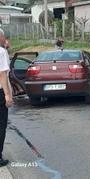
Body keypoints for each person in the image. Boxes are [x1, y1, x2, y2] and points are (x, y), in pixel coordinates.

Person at [0, 28, 13, 167]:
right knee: (1, 125)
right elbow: (2, 75)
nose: (5, 39)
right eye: (4, 37)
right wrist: (7, 95)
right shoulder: (1, 52)